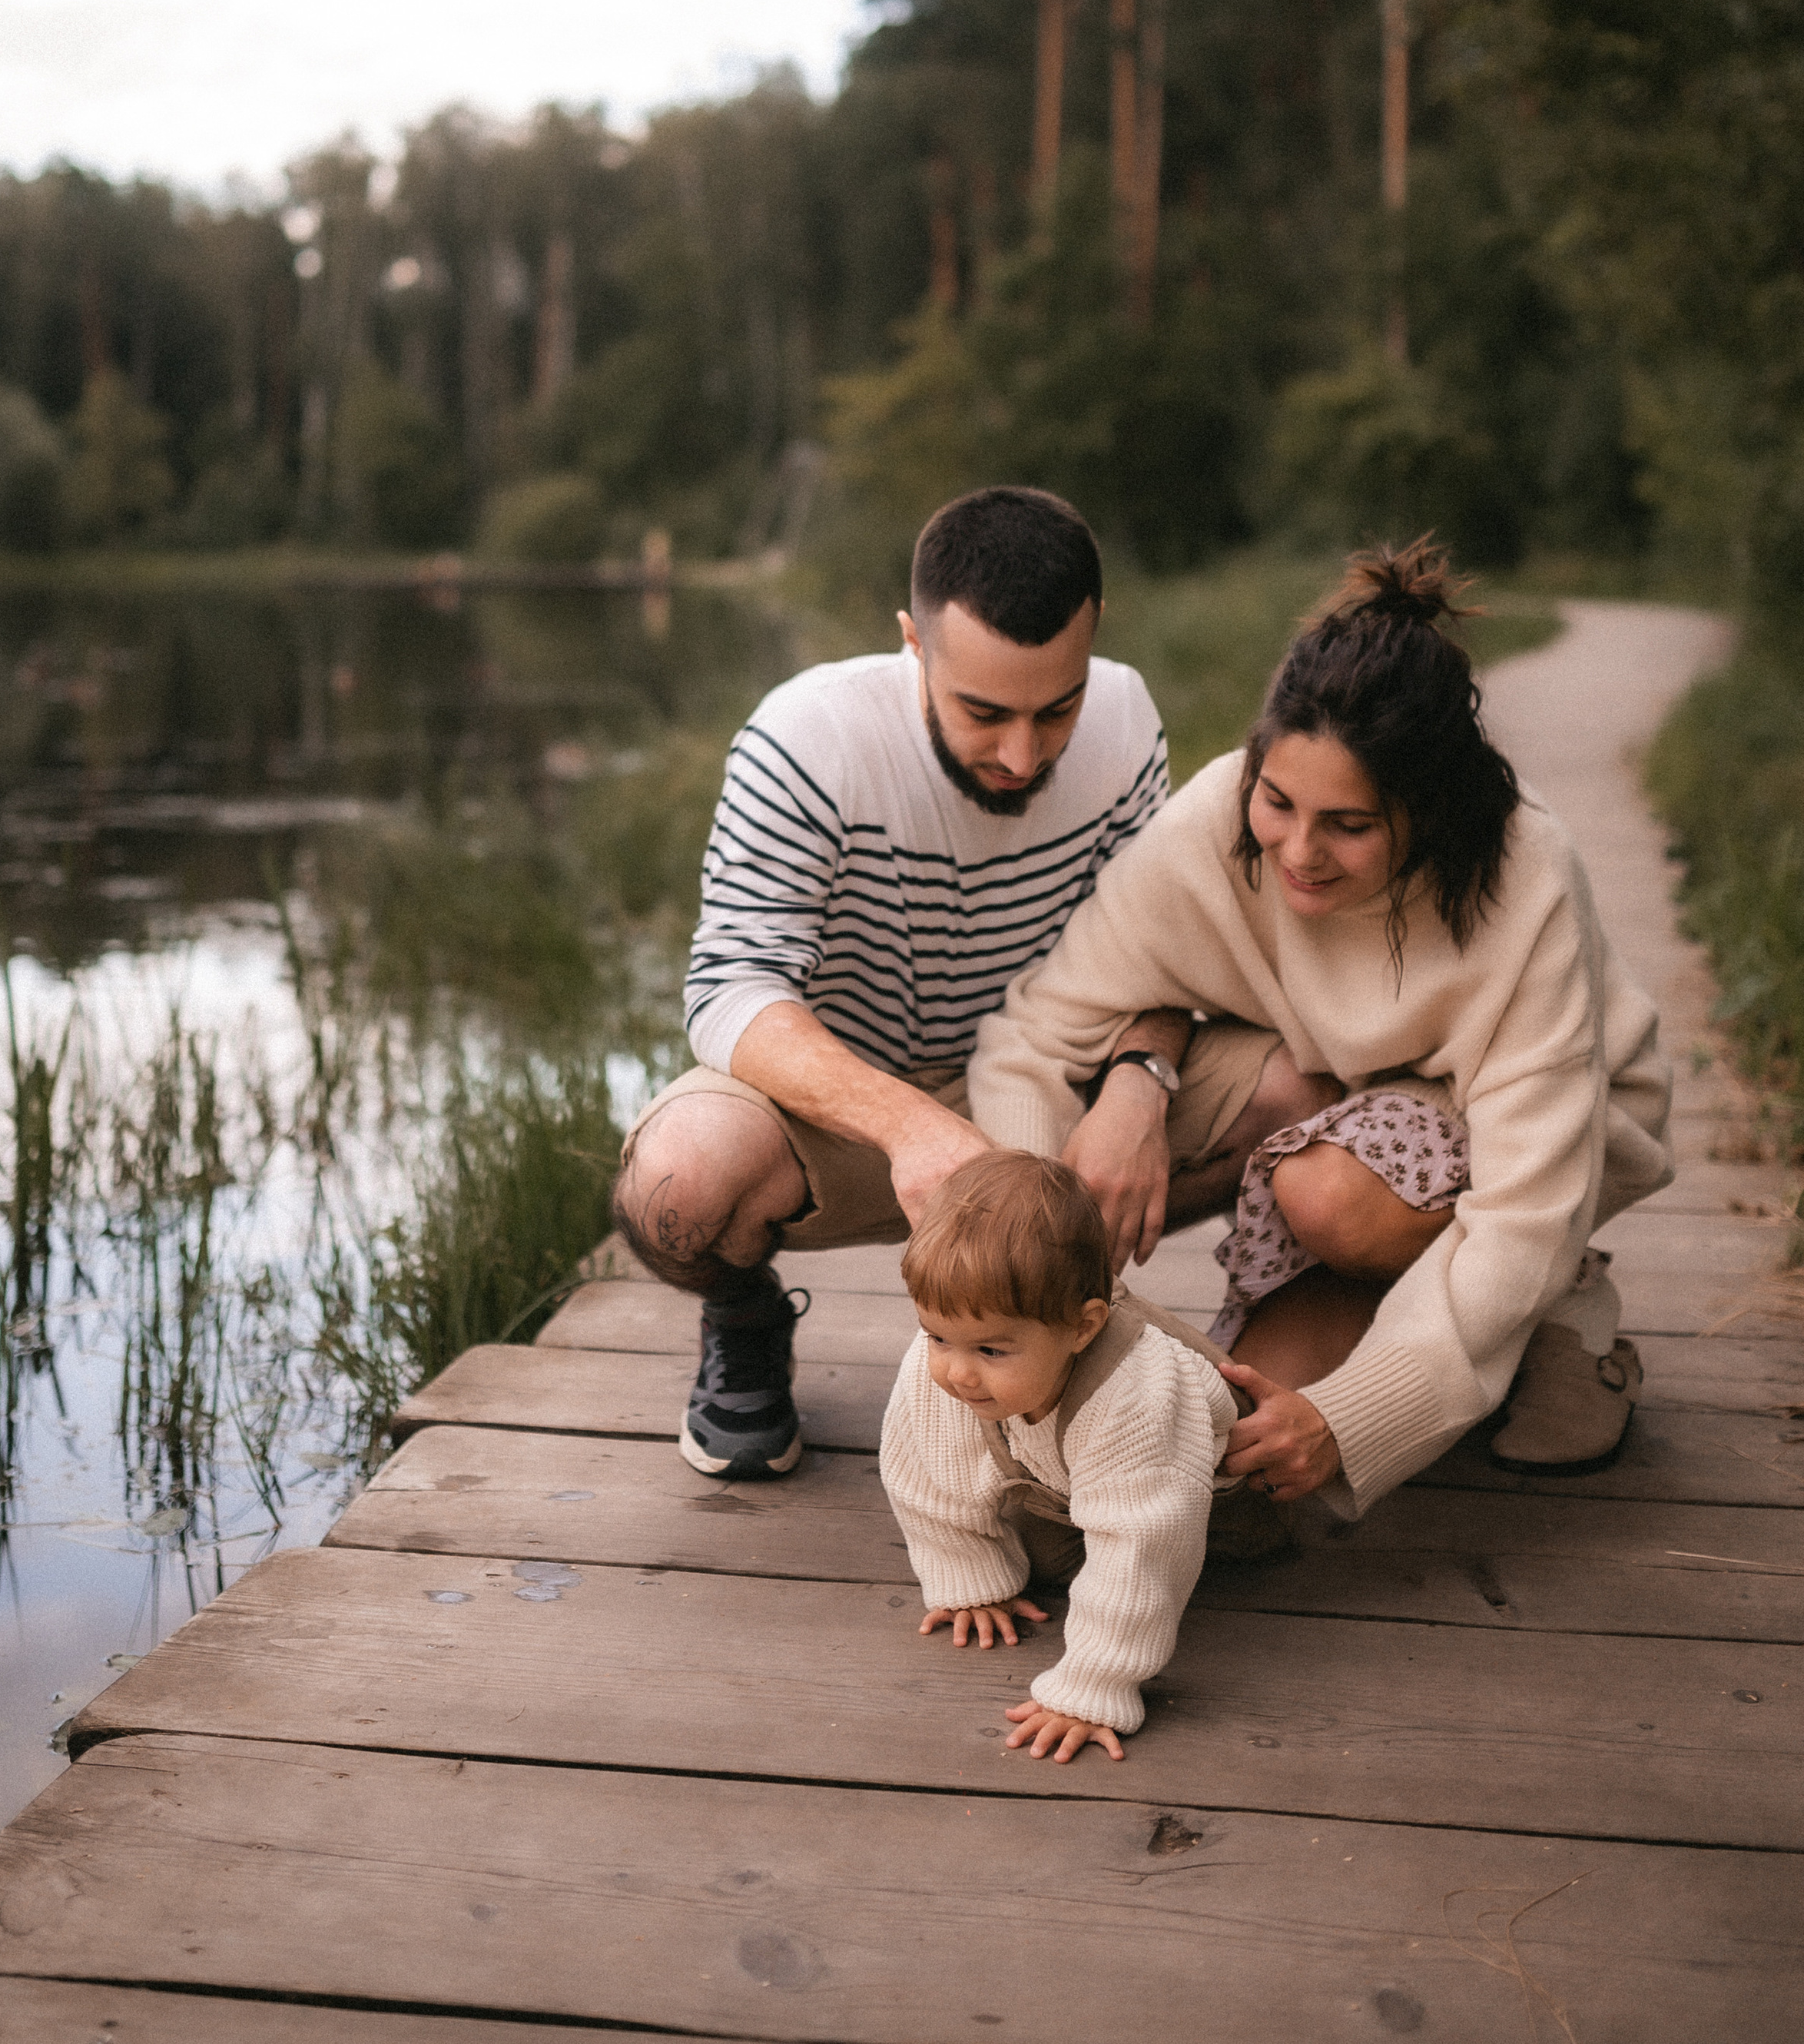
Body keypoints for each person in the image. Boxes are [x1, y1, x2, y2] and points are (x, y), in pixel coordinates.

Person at [968, 542, 1672, 1514]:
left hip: (1529, 1142)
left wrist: (1349, 1417)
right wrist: (1022, 1250)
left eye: (1348, 823)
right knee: (1238, 1453)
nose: (1298, 850)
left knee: (1334, 1211)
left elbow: (1525, 1207)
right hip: (1330, 1099)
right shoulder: (1214, 821)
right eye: (1278, 800)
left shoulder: (1525, 876)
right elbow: (1034, 1035)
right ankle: (1433, 1318)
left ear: (1424, 813)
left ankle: (1561, 1306)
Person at [614, 483, 1244, 1482]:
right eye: (984, 711)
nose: (1022, 753)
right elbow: (732, 992)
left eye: (1057, 709)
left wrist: (1140, 1080)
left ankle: (1273, 1352)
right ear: (914, 640)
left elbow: (1157, 950)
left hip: (1051, 1079)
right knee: (675, 1186)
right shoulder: (806, 740)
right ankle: (744, 1315)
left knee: (1299, 1088)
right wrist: (912, 1127)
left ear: (1096, 639)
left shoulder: (1127, 719)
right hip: (850, 1114)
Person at [880, 1150, 1239, 1767]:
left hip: (1209, 1497)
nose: (956, 1371)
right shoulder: (944, 1364)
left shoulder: (1136, 1393)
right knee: (1050, 1556)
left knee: (1163, 1555)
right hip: (1060, 1486)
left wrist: (1093, 1687)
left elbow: (1143, 1546)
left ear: (1082, 1327)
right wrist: (970, 1579)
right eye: (937, 1335)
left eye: (991, 1349)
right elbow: (925, 1470)